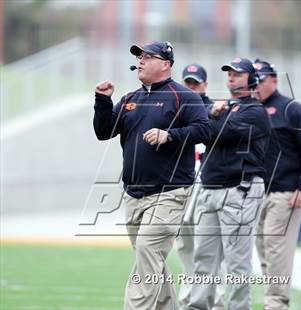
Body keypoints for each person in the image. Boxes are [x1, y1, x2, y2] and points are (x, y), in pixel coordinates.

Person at [93, 41, 211, 310]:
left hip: (169, 193)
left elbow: (205, 131)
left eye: (148, 56)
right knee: (151, 260)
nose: (141, 60)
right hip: (134, 194)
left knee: (147, 254)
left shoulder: (184, 96)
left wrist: (169, 135)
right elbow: (104, 132)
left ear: (166, 64)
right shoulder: (130, 99)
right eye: (139, 56)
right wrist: (102, 101)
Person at [188, 57, 271, 310]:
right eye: (229, 74)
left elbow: (220, 132)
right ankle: (197, 306)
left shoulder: (256, 111)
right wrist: (211, 113)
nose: (231, 77)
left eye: (237, 74)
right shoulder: (225, 108)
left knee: (236, 262)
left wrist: (209, 113)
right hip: (211, 189)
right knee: (203, 259)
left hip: (239, 190)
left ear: (251, 79)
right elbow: (204, 129)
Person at [253, 59, 301, 309]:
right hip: (257, 192)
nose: (256, 85)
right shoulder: (251, 108)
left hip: (285, 191)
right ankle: (275, 294)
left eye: (261, 80)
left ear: (274, 80)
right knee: (263, 246)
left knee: (276, 247)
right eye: (254, 80)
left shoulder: (291, 108)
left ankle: (276, 303)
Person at [176, 64, 225, 310]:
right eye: (188, 83)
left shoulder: (214, 109)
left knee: (209, 250)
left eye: (196, 83)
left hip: (206, 187)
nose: (192, 87)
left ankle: (216, 301)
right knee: (185, 249)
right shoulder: (176, 110)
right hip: (180, 187)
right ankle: (188, 300)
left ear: (205, 85)